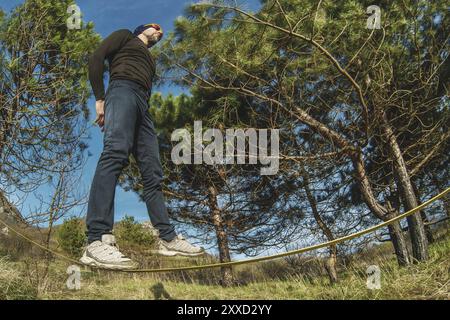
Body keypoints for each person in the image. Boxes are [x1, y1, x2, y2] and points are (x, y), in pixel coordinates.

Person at [80, 23, 205, 270]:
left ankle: (167, 238)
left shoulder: (150, 59)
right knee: (116, 152)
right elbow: (96, 57)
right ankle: (96, 238)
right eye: (156, 27)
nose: (160, 31)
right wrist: (100, 98)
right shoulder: (125, 35)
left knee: (153, 173)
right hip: (121, 90)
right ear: (142, 28)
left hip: (142, 105)